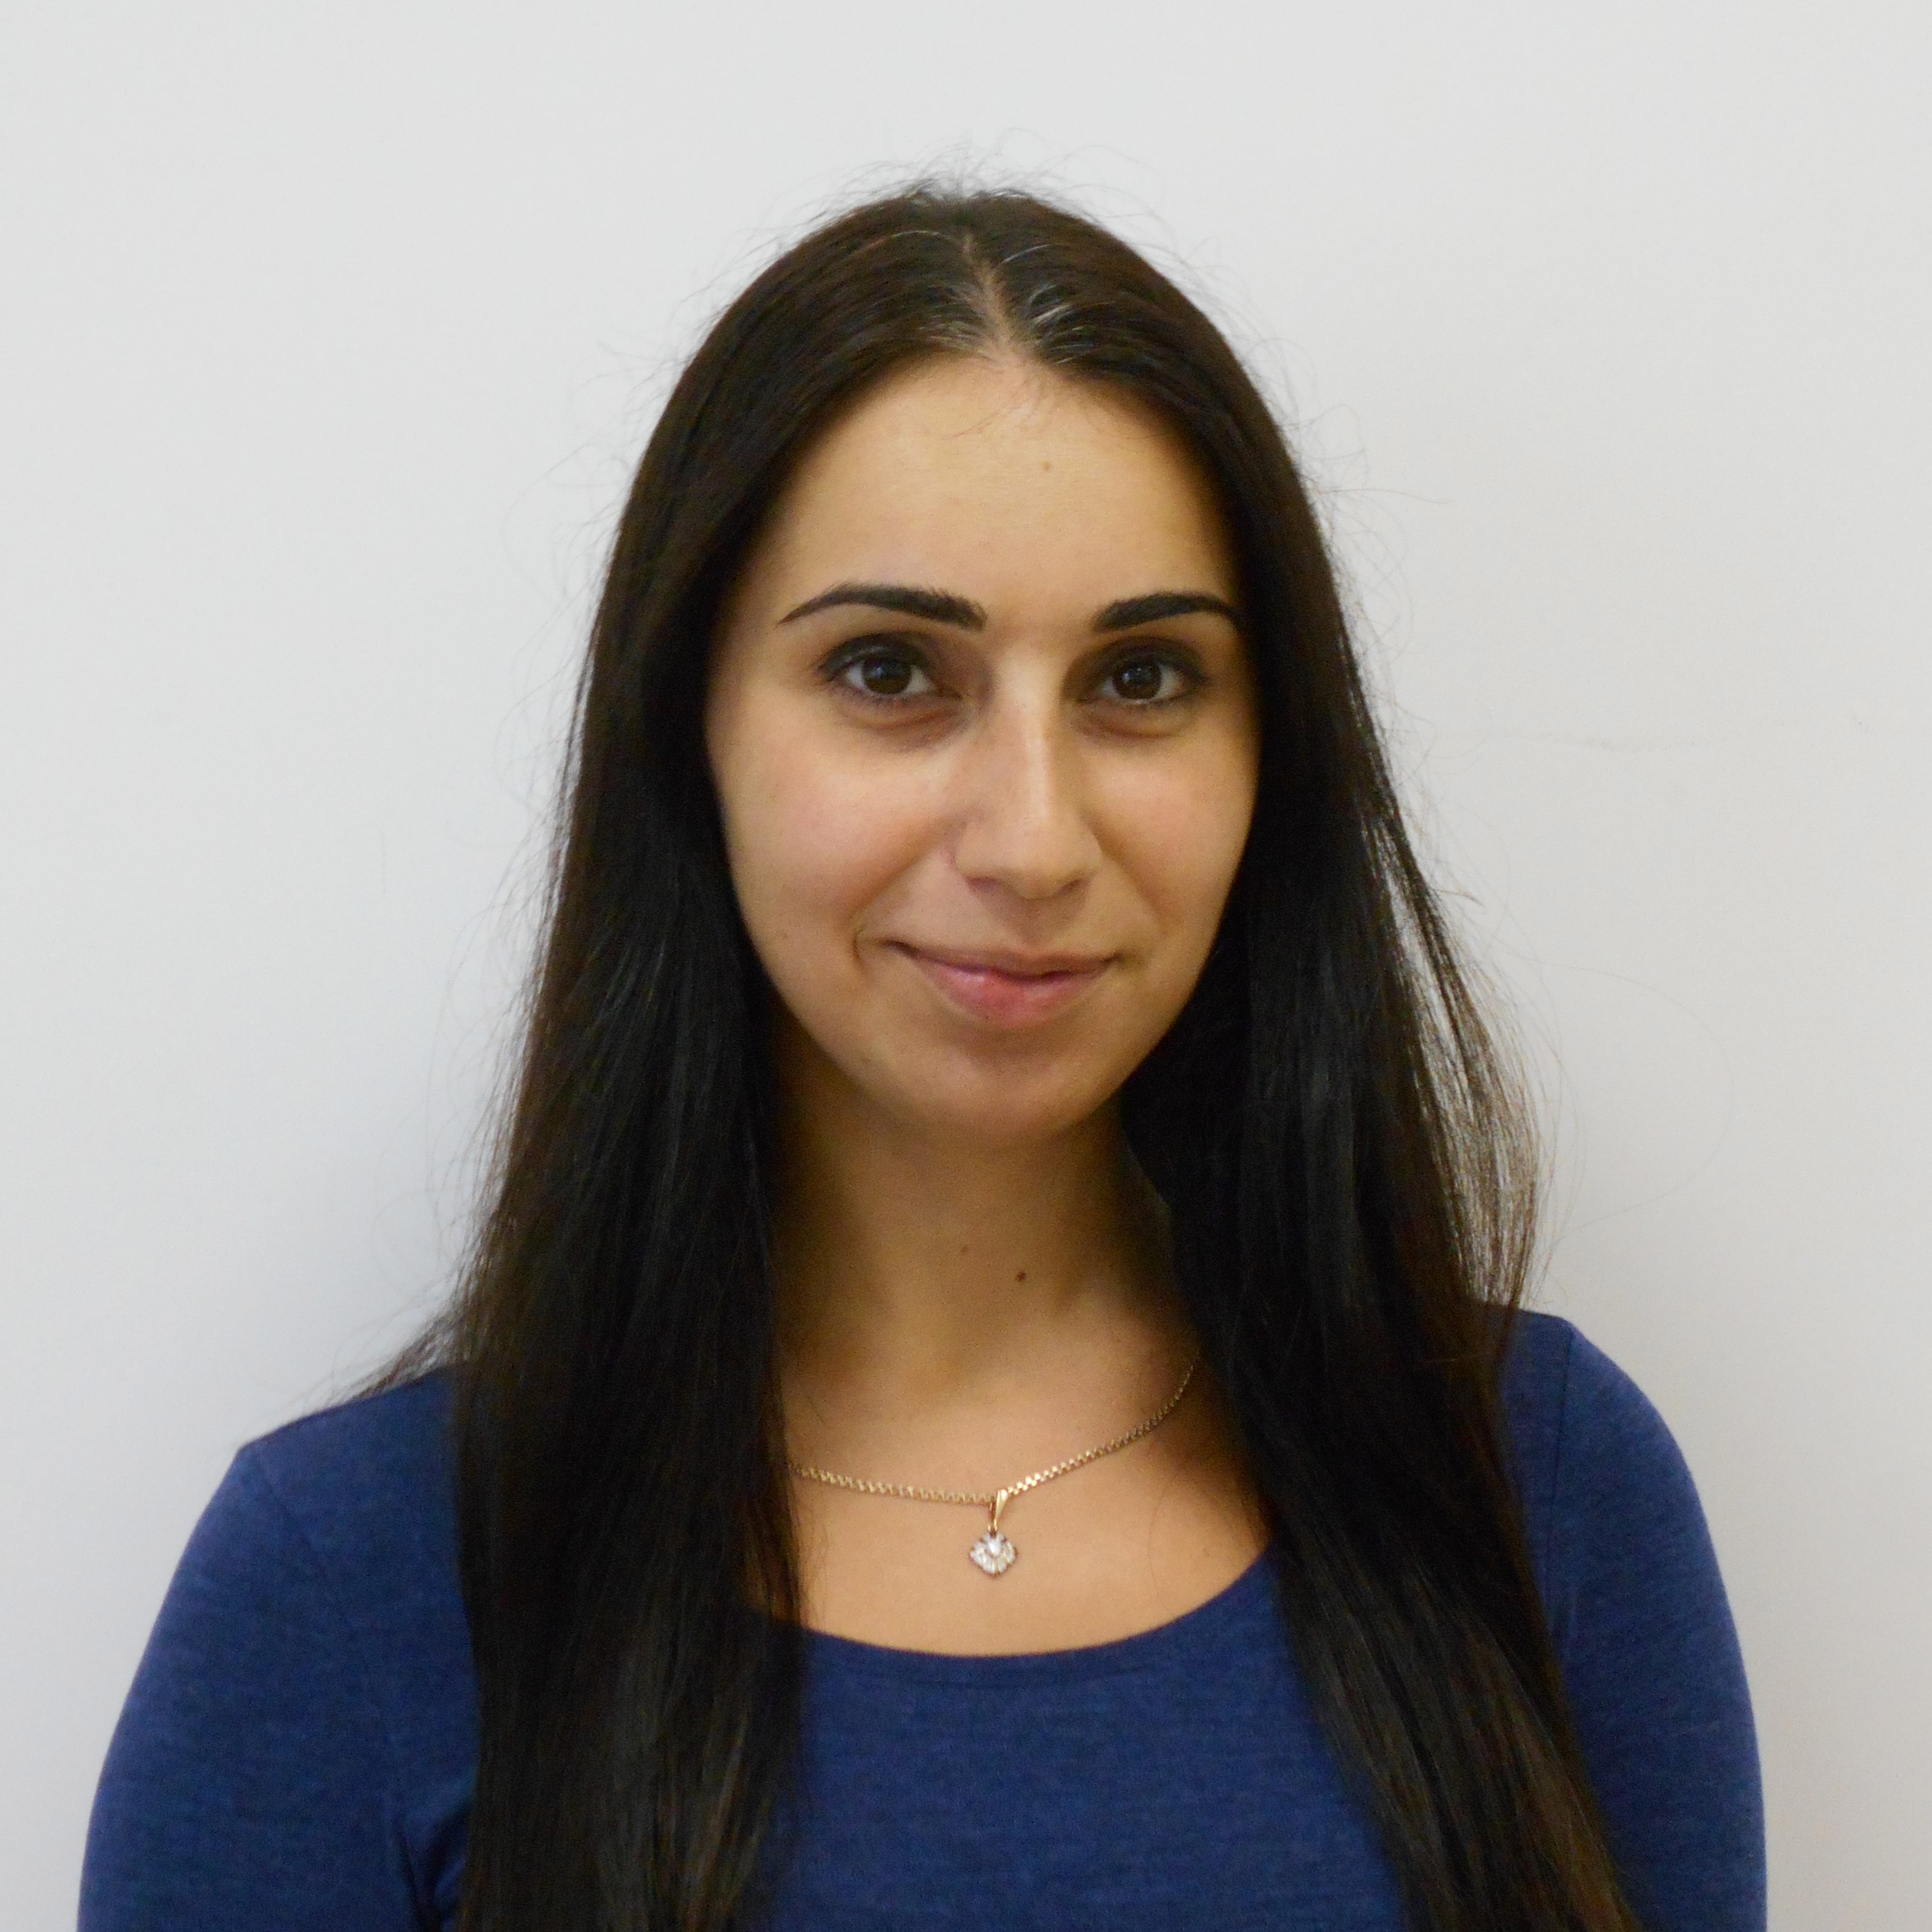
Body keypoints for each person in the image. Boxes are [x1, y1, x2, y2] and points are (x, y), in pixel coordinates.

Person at [79, 186, 1764, 1932]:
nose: (1031, 839)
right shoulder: (349, 1581)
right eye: (889, 670)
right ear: (691, 729)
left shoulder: (1540, 1484)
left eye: (1141, 679)